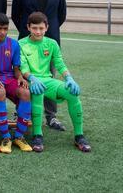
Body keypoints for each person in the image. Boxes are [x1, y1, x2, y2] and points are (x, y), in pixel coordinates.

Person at [19, 12, 91, 153]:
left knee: (72, 93)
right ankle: (37, 135)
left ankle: (79, 135)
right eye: (34, 28)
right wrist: (32, 78)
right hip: (31, 80)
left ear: (46, 27)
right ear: (28, 27)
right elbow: (23, 67)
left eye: (41, 28)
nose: (38, 31)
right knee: (37, 91)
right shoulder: (21, 43)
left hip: (48, 81)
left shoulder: (52, 43)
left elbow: (59, 63)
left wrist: (69, 78)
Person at [11, 0, 67, 131]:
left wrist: (47, 32)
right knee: (23, 79)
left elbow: (61, 15)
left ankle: (51, 116)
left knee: (49, 78)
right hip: (26, 45)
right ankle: (20, 112)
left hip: (49, 43)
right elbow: (16, 16)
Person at [0, 13, 33, 153]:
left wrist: (20, 78)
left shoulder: (13, 44)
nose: (2, 32)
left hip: (9, 78)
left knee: (25, 92)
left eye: (5, 29)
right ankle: (5, 137)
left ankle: (19, 136)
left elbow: (16, 68)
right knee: (0, 91)